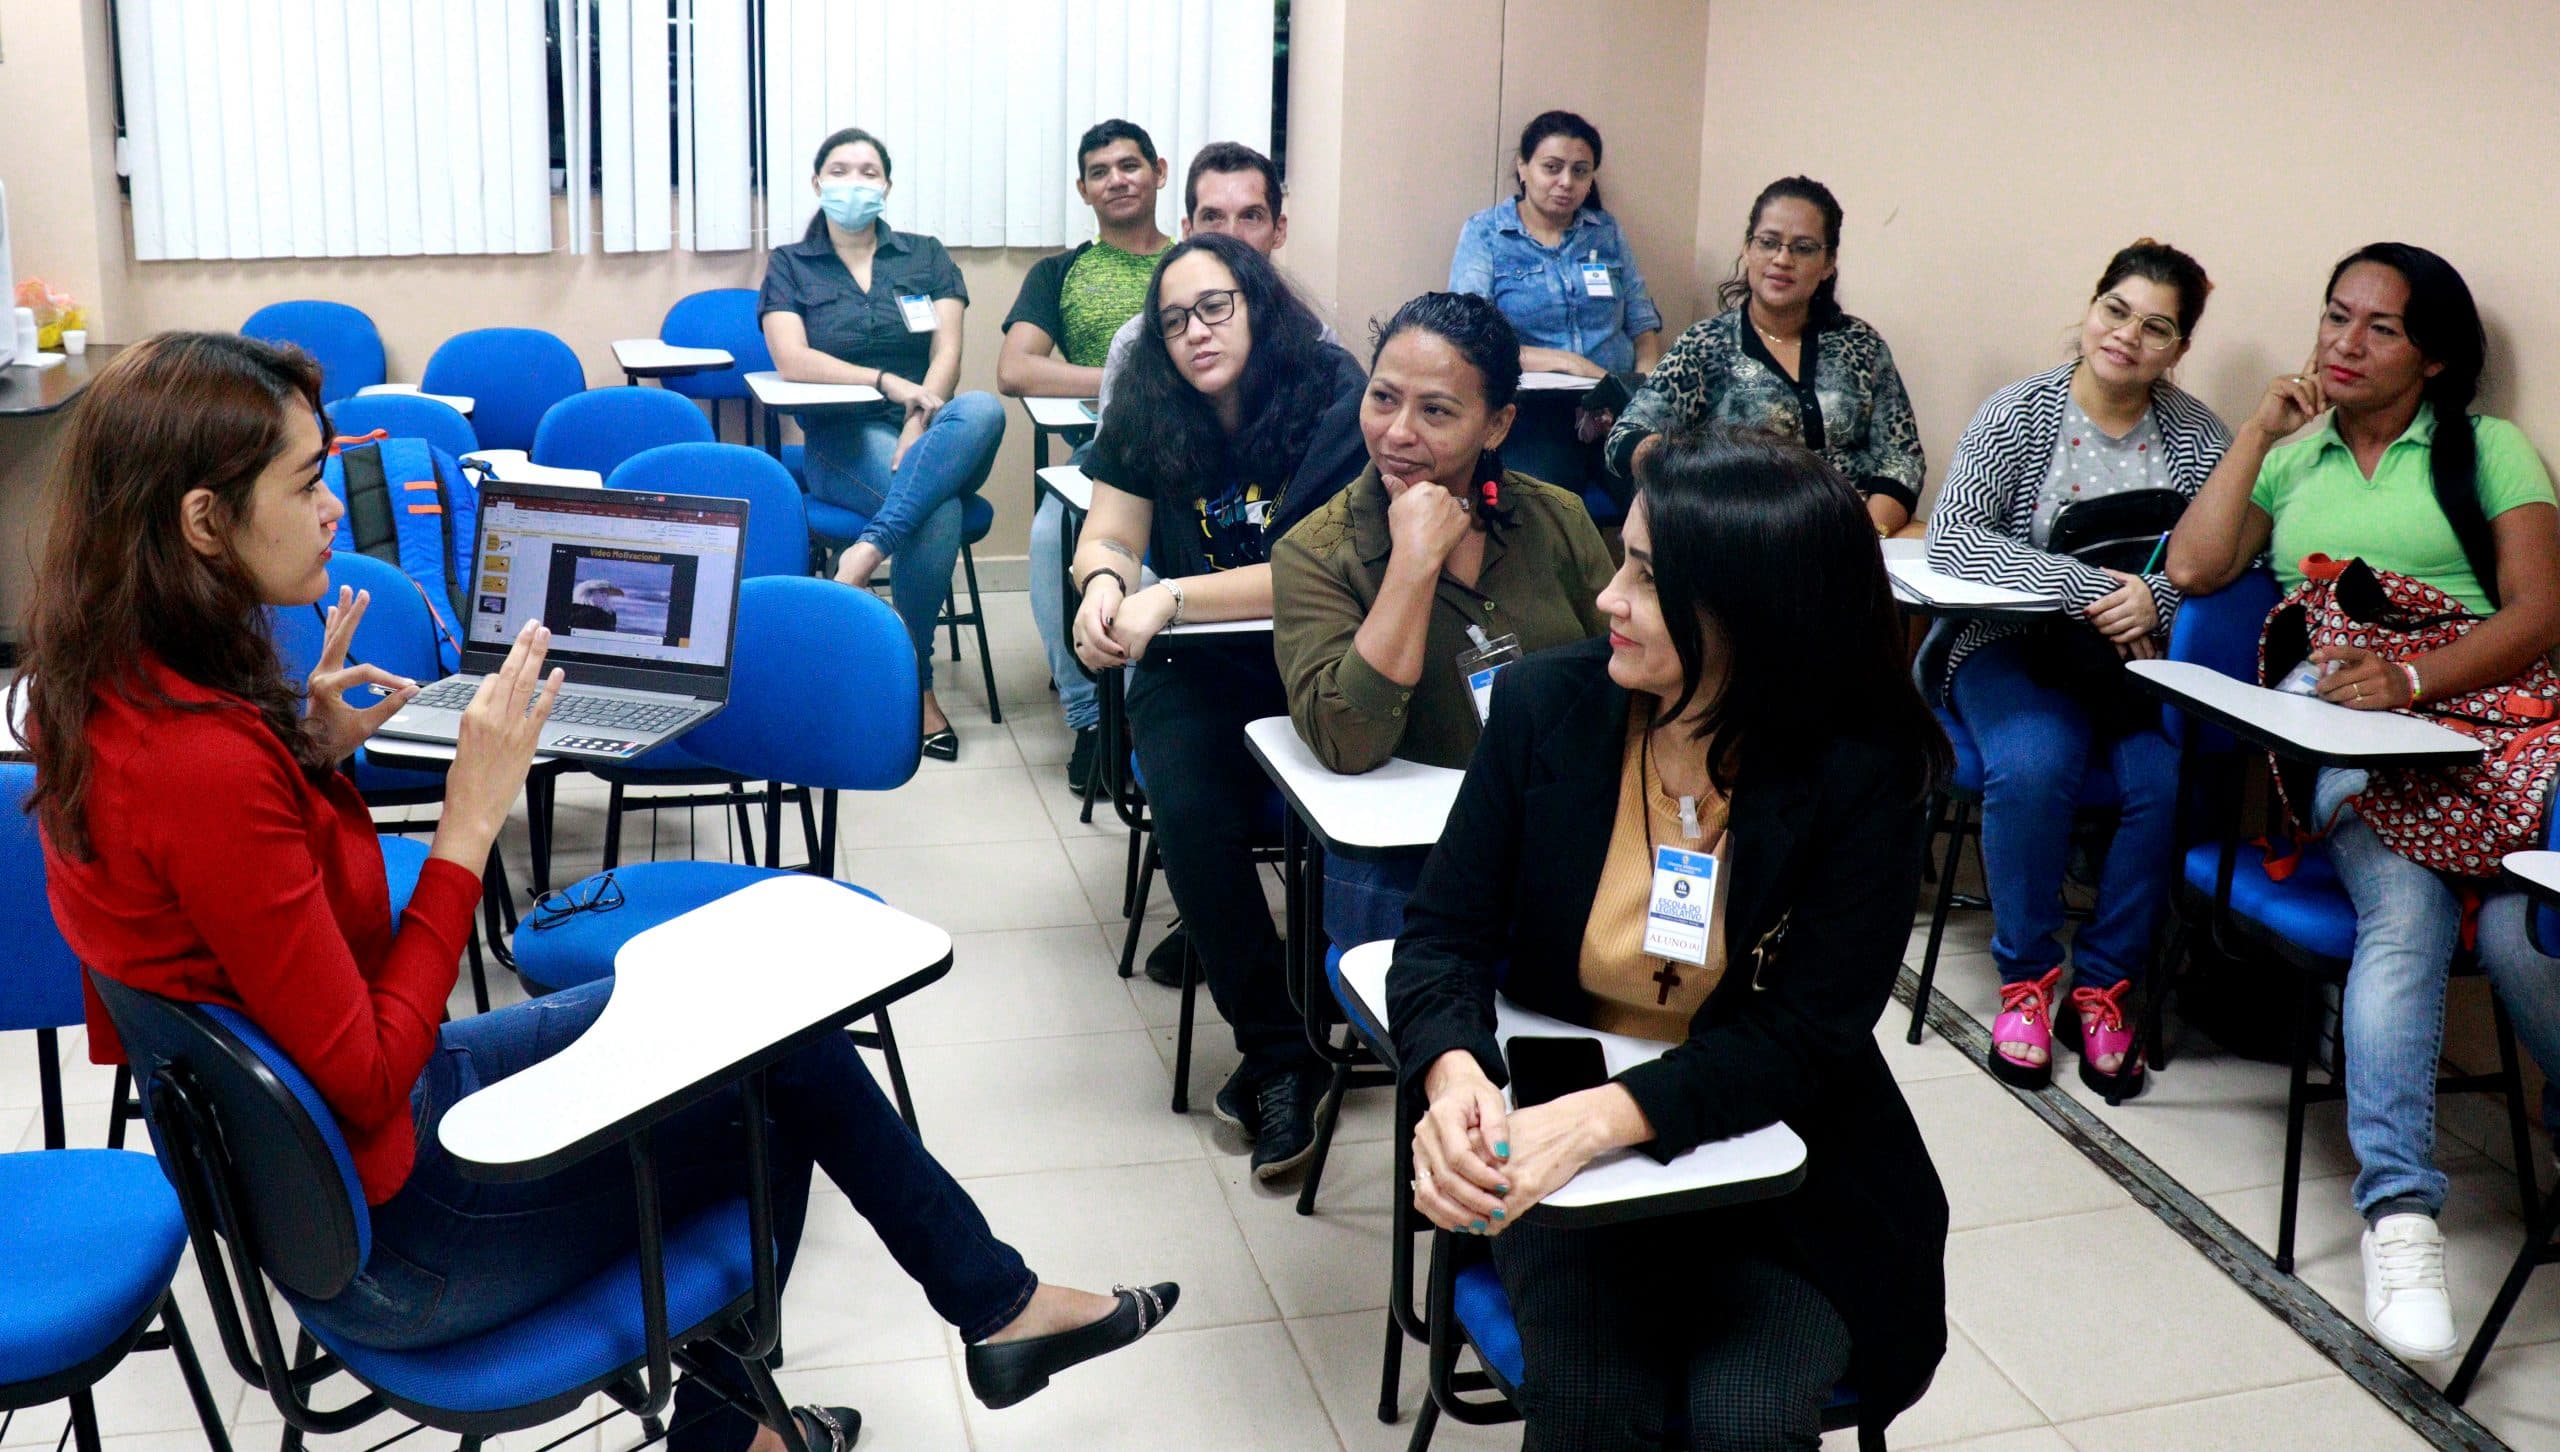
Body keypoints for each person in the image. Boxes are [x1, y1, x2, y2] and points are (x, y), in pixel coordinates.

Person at [28, 334, 1174, 1452]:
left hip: (326, 1180)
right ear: (201, 522)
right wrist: (470, 822)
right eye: (307, 480)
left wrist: (309, 755)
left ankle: (969, 1322)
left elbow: (215, 920)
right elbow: (368, 1065)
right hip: (396, 1235)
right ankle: (792, 1408)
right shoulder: (206, 767)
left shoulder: (114, 698)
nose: (335, 506)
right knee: (767, 1104)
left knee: (761, 1009)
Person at [1389, 430, 1949, 1448]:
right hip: (1569, 1161)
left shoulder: (1861, 773)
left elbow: (1801, 1038)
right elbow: (1438, 936)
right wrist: (1456, 1079)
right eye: (1623, 558)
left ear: (1750, 615)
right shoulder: (1546, 708)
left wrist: (1595, 1120)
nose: (1608, 598)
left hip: (1773, 1160)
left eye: (1646, 577)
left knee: (1745, 1422)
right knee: (1602, 1408)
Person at [2165, 243, 2560, 1364]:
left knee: (2523, 937)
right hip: (2349, 740)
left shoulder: (2488, 450)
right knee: (2405, 912)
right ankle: (2399, 1216)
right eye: (2333, 317)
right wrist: (2255, 435)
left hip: (2484, 727)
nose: (2342, 342)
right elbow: (2194, 573)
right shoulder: (2296, 465)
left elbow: (2540, 612)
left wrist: (2420, 679)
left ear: (2431, 357)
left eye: (2377, 328)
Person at [1069, 232, 1368, 1179]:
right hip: (1192, 663)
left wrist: (1173, 595)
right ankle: (1281, 1054)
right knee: (1189, 817)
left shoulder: (1329, 389)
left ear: (1256, 303)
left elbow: (1316, 567)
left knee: (1346, 813)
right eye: (1172, 320)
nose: (1194, 332)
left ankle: (1329, 1019)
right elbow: (1111, 529)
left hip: (1313, 648)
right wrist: (1103, 588)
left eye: (1214, 308)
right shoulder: (1152, 403)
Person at [1923, 240, 2230, 1096]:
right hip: (2006, 647)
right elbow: (1956, 540)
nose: (2128, 335)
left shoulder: (2201, 437)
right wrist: (2092, 588)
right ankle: (2026, 979)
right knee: (2036, 762)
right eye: (2117, 310)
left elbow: (2222, 561)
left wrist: (2155, 605)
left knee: (2164, 784)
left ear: (2179, 348)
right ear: (2092, 307)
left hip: (2130, 663)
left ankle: (2104, 986)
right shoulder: (2017, 412)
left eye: (2157, 327)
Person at [1271, 291, 1613, 947]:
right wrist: (1412, 566)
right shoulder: (1317, 552)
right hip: (1405, 864)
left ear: (1496, 425)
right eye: (1383, 398)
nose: (1398, 431)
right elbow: (1349, 743)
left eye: (1435, 411)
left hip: (1555, 837)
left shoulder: (1558, 518)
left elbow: (1621, 682)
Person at [760, 125, 1005, 762]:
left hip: (929, 433)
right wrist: (884, 381)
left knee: (982, 407)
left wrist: (921, 419)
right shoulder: (790, 262)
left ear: (887, 186)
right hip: (842, 439)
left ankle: (865, 552)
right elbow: (791, 358)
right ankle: (918, 684)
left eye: (868, 171)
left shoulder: (924, 255)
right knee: (938, 511)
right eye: (839, 171)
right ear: (817, 183)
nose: (854, 183)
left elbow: (947, 349)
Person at [1003, 119, 1174, 792]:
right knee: (1051, 533)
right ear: (1083, 189)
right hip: (1107, 450)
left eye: (1130, 166)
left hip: (1200, 452)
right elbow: (1017, 369)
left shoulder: (1198, 263)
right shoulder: (1061, 272)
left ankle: (1151, 712)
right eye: (1100, 172)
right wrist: (1122, 379)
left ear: (1159, 171)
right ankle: (1092, 722)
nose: (1117, 180)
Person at [1606, 177, 1924, 535]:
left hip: (1859, 531)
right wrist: (1700, 471)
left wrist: (1863, 534)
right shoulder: (1705, 345)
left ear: (1828, 262)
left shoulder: (1862, 345)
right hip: (1747, 535)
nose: (1782, 259)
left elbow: (1902, 457)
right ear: (1747, 249)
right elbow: (1625, 438)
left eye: (1803, 248)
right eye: (1769, 243)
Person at [1450, 110, 1665, 503]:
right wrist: (1569, 363)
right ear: (1523, 168)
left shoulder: (1606, 232)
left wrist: (1642, 394)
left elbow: (1643, 326)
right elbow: (1472, 336)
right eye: (1552, 167)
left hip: (1615, 410)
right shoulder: (1486, 233)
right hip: (1534, 413)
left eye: (1580, 171)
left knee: (1667, 492)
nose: (1566, 182)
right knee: (1540, 505)